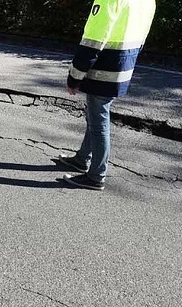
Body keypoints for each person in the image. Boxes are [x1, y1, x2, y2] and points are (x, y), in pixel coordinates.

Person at [56, 0, 156, 190]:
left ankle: (96, 175)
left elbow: (93, 40)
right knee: (96, 115)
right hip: (124, 63)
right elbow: (143, 37)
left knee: (99, 119)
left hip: (104, 67)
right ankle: (82, 158)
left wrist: (75, 76)